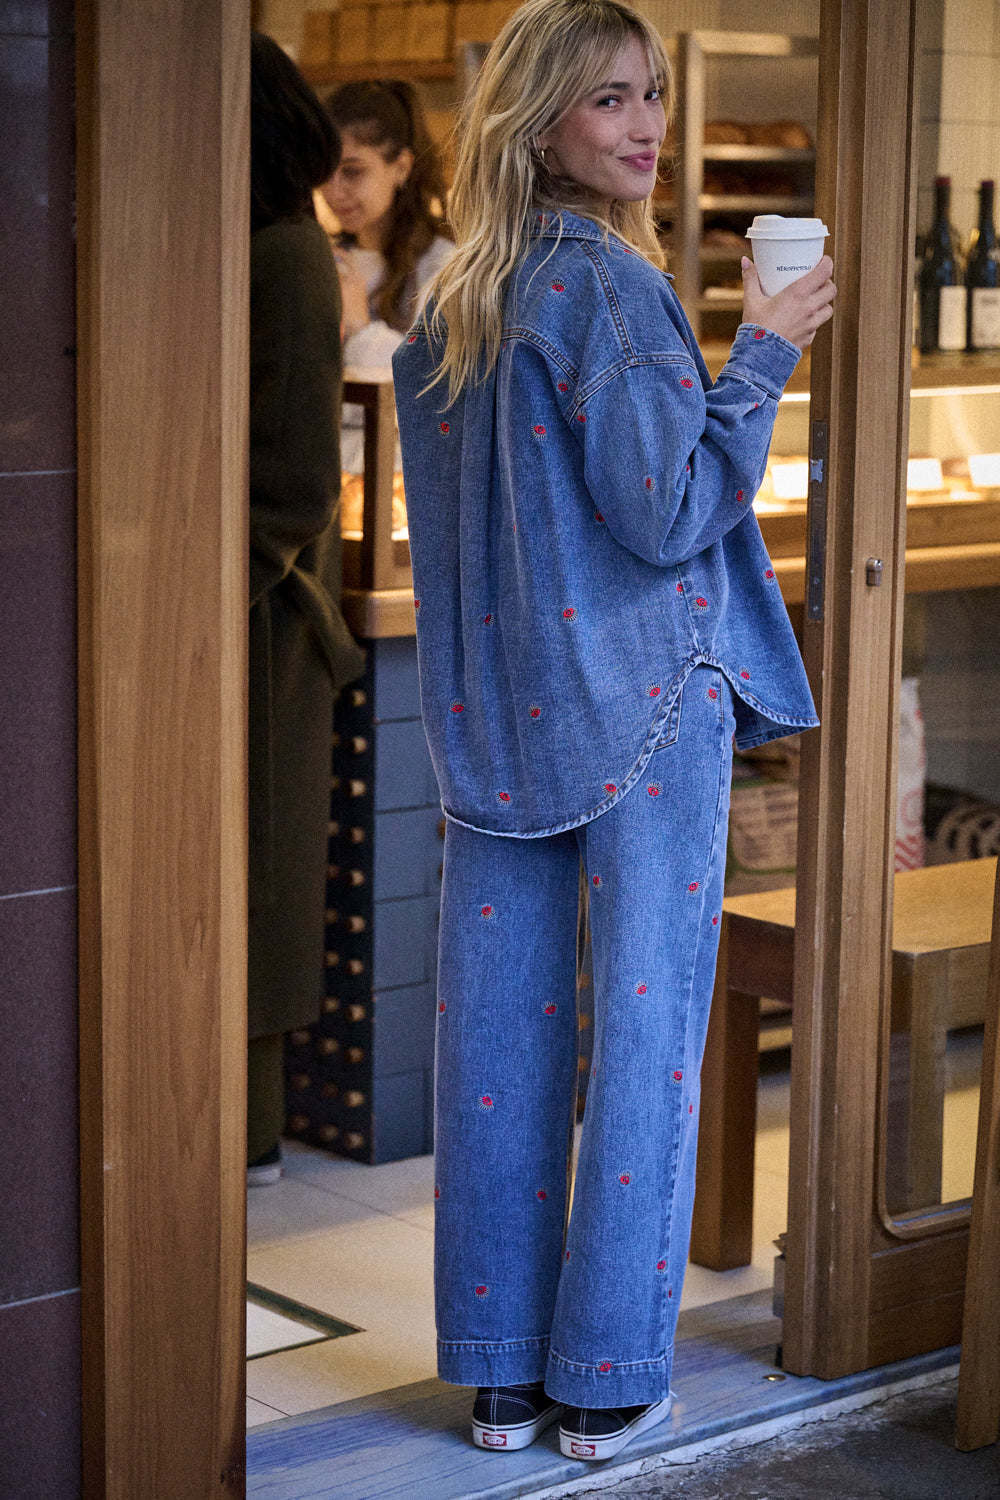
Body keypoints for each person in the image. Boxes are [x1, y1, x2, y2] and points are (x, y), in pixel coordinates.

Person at [392, 0, 835, 1464]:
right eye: (609, 100)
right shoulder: (615, 289)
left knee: (497, 1043)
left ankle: (504, 1381)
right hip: (644, 701)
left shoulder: (454, 299)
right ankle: (605, 1378)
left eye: (649, 93)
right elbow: (668, 511)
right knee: (645, 1036)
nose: (645, 124)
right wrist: (763, 350)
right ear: (539, 127)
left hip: (498, 723)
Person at [248, 33, 364, 1185]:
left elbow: (291, 484)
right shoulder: (250, 246)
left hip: (265, 624)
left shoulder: (286, 256)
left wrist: (196, 600)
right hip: (232, 615)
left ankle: (246, 1132)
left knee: (263, 882)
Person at [320, 79, 454, 473]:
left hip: (400, 483)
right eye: (324, 172)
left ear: (401, 167)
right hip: (330, 475)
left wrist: (360, 326)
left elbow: (433, 398)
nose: (334, 191)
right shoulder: (326, 257)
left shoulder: (446, 268)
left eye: (352, 172)